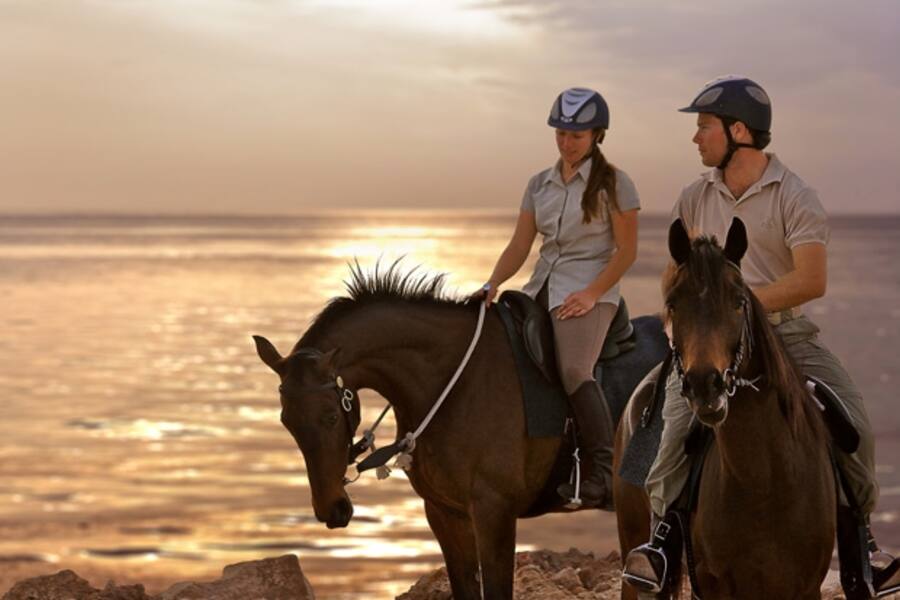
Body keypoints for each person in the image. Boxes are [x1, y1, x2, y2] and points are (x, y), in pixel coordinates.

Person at [622, 75, 899, 596]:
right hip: (710, 341)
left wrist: (739, 308)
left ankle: (864, 547)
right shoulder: (694, 196)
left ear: (739, 131)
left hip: (786, 337)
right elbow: (674, 276)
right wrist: (686, 313)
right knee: (670, 435)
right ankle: (662, 544)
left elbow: (811, 279)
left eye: (704, 127)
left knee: (853, 423)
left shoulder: (795, 196)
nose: (695, 137)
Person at [474, 87, 640, 507]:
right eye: (561, 134)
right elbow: (520, 245)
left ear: (597, 135)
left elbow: (627, 252)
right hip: (540, 288)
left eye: (577, 135)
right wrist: (492, 283)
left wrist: (592, 293)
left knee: (572, 369)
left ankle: (601, 472)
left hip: (589, 292)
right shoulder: (539, 184)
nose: (567, 143)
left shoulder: (617, 184)